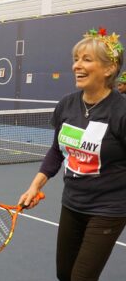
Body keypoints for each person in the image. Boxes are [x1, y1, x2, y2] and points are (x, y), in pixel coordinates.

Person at [18, 27, 126, 281]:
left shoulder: (120, 112)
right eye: (76, 59)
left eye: (86, 59)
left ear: (109, 68)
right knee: (64, 274)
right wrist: (35, 186)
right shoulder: (67, 104)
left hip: (109, 209)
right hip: (73, 204)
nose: (77, 65)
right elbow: (57, 150)